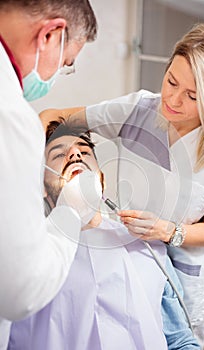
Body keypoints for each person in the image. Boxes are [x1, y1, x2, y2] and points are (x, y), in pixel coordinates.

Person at [40, 23, 204, 348]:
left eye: (192, 96)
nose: (171, 99)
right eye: (171, 80)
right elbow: (54, 115)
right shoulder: (139, 109)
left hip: (183, 273)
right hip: (128, 242)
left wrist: (168, 231)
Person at [7, 117, 200, 350]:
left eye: (85, 152)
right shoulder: (25, 256)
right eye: (59, 155)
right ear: (42, 189)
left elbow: (180, 341)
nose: (75, 155)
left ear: (102, 180)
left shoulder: (148, 247)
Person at [0, 0, 97, 347]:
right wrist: (70, 212)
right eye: (66, 63)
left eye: (85, 151)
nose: (74, 155)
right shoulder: (11, 117)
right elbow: (20, 293)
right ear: (51, 34)